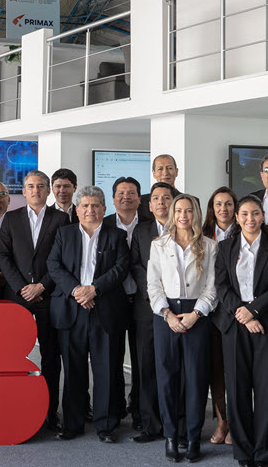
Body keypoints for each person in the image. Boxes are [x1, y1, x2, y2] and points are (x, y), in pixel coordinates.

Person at [47, 186, 130, 443]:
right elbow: (53, 265)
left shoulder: (117, 236)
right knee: (73, 370)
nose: (90, 210)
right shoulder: (64, 234)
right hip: (72, 309)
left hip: (105, 309)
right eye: (85, 205)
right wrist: (76, 291)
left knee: (106, 369)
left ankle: (106, 426)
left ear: (104, 209)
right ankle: (73, 424)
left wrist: (94, 289)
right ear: (77, 209)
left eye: (95, 205)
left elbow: (121, 268)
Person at [213, 195, 268, 467]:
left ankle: (264, 451)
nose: (250, 218)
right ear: (237, 217)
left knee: (266, 390)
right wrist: (243, 314)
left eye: (255, 213)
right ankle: (243, 451)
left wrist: (254, 311)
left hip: (267, 325)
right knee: (237, 390)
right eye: (244, 213)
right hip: (235, 325)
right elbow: (221, 286)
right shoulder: (225, 247)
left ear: (263, 216)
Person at [0, 169, 69, 431]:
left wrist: (42, 285)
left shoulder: (61, 219)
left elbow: (64, 258)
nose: (35, 190)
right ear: (23, 191)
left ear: (48, 191)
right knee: (14, 354)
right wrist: (22, 287)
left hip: (49, 296)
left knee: (51, 355)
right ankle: (16, 405)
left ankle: (50, 411)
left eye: (40, 186)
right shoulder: (11, 218)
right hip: (18, 297)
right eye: (31, 186)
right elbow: (3, 256)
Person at [147, 194, 217, 463]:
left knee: (196, 379)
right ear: (172, 214)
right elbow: (153, 284)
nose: (183, 215)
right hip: (166, 315)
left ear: (195, 214)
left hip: (197, 315)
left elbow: (212, 287)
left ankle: (193, 437)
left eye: (188, 211)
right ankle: (171, 436)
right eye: (178, 211)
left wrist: (196, 314)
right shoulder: (159, 244)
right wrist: (167, 314)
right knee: (167, 377)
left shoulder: (209, 246)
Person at [129, 181, 178, 443]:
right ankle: (150, 425)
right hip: (148, 307)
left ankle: (177, 425)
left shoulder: (184, 227)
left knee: (175, 367)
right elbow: (136, 265)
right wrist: (153, 294)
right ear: (149, 205)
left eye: (166, 197)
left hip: (179, 308)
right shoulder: (141, 230)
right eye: (156, 198)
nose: (161, 202)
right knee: (146, 366)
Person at [105, 177, 143, 434]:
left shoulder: (149, 225)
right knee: (112, 356)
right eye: (121, 193)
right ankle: (116, 407)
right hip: (113, 300)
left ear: (140, 198)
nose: (126, 197)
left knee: (142, 359)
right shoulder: (104, 223)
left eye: (131, 193)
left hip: (142, 300)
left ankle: (139, 409)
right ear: (113, 198)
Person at [201, 187, 239, 446]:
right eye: (218, 204)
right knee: (215, 371)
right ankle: (222, 421)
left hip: (237, 310)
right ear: (211, 209)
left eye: (228, 204)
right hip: (210, 312)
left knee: (237, 371)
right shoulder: (203, 235)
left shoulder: (246, 230)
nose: (223, 209)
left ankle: (237, 422)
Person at [139, 154, 179, 220]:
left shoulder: (190, 201)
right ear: (154, 173)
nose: (165, 173)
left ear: (176, 172)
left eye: (169, 168)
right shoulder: (141, 203)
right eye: (160, 169)